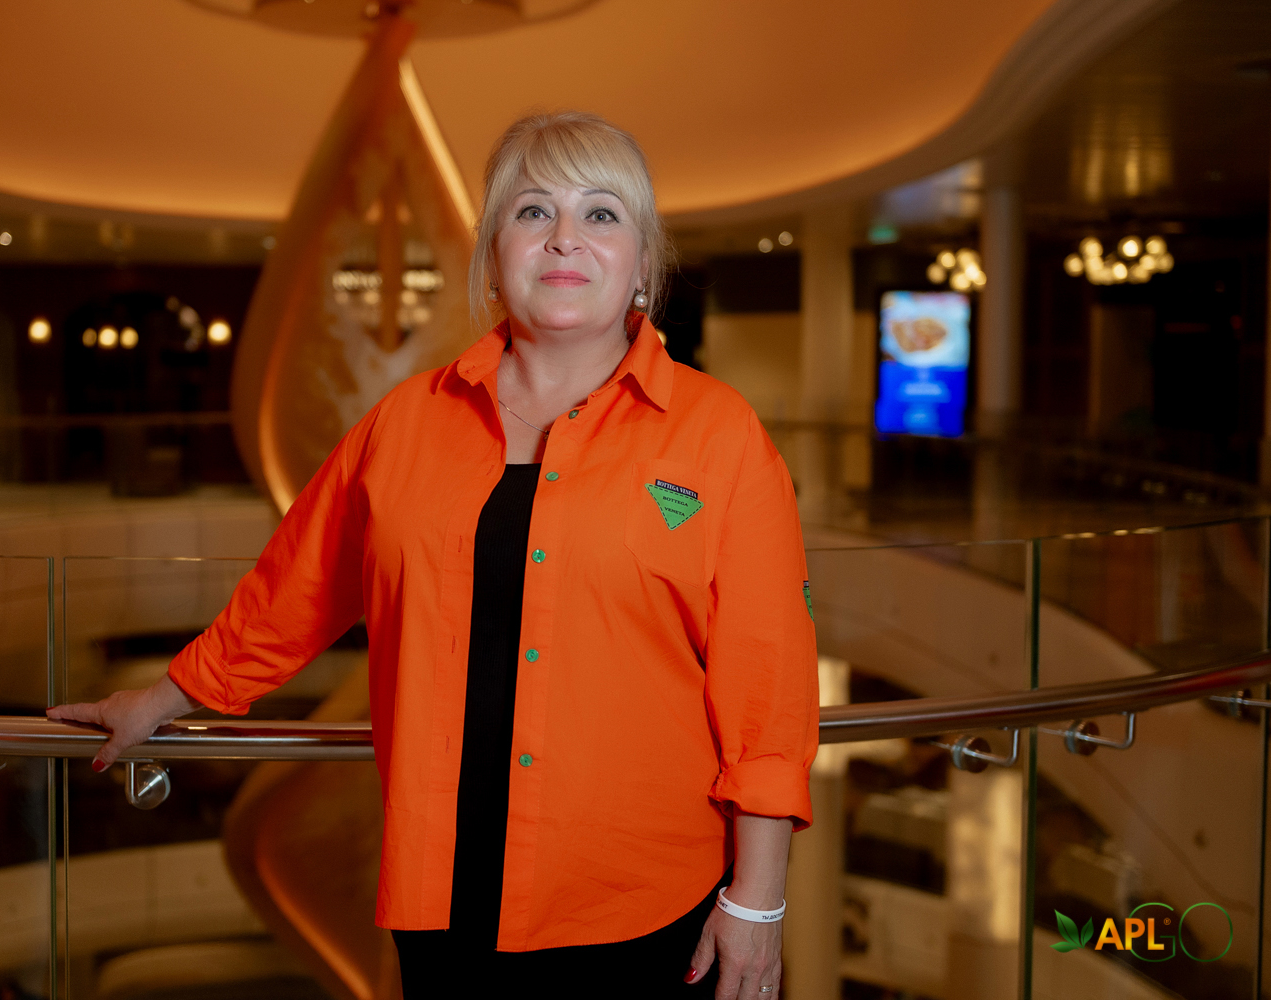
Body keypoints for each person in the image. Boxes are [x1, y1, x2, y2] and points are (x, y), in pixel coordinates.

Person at [48, 110, 819, 999]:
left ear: (643, 264)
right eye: (533, 211)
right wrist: (162, 699)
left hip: (649, 910)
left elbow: (769, 690)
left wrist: (758, 900)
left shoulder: (721, 437)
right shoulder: (404, 424)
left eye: (601, 214)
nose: (565, 238)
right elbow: (293, 590)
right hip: (443, 906)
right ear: (493, 256)